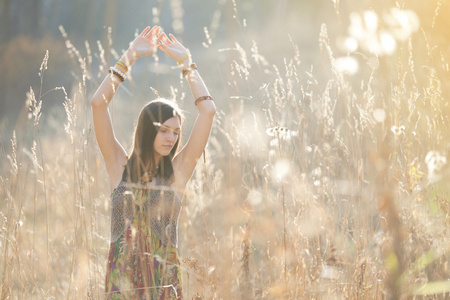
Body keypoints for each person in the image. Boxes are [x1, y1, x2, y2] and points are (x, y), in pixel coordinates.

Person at [91, 25, 216, 299]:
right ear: (148, 129)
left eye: (175, 132)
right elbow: (98, 104)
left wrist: (187, 64)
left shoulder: (178, 172)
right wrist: (129, 57)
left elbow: (208, 111)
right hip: (121, 280)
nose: (171, 138)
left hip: (163, 281)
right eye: (164, 130)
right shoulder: (119, 167)